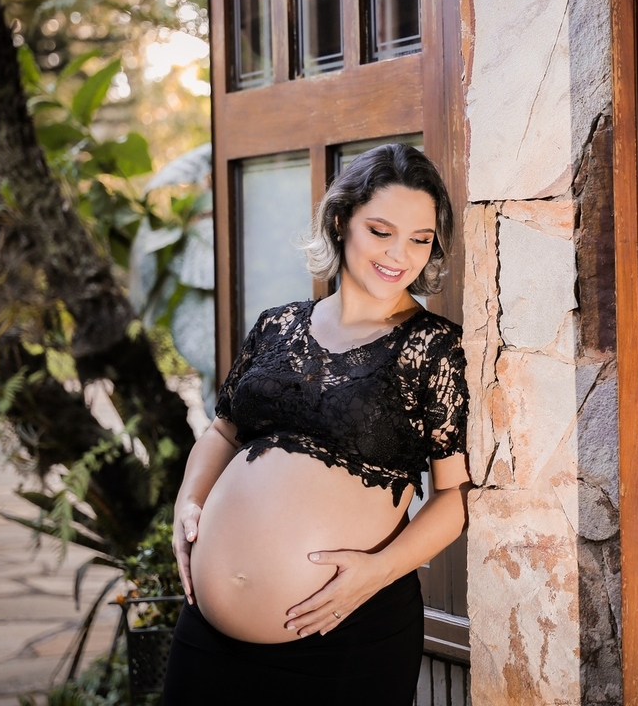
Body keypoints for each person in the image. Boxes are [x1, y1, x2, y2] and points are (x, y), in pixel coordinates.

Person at [163, 143, 470, 704]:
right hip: (206, 637)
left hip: (343, 637)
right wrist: (189, 501)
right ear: (340, 220)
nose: (400, 254)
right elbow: (222, 431)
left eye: (419, 239)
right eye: (381, 230)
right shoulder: (275, 327)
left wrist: (377, 572)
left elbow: (454, 498)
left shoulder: (432, 349)